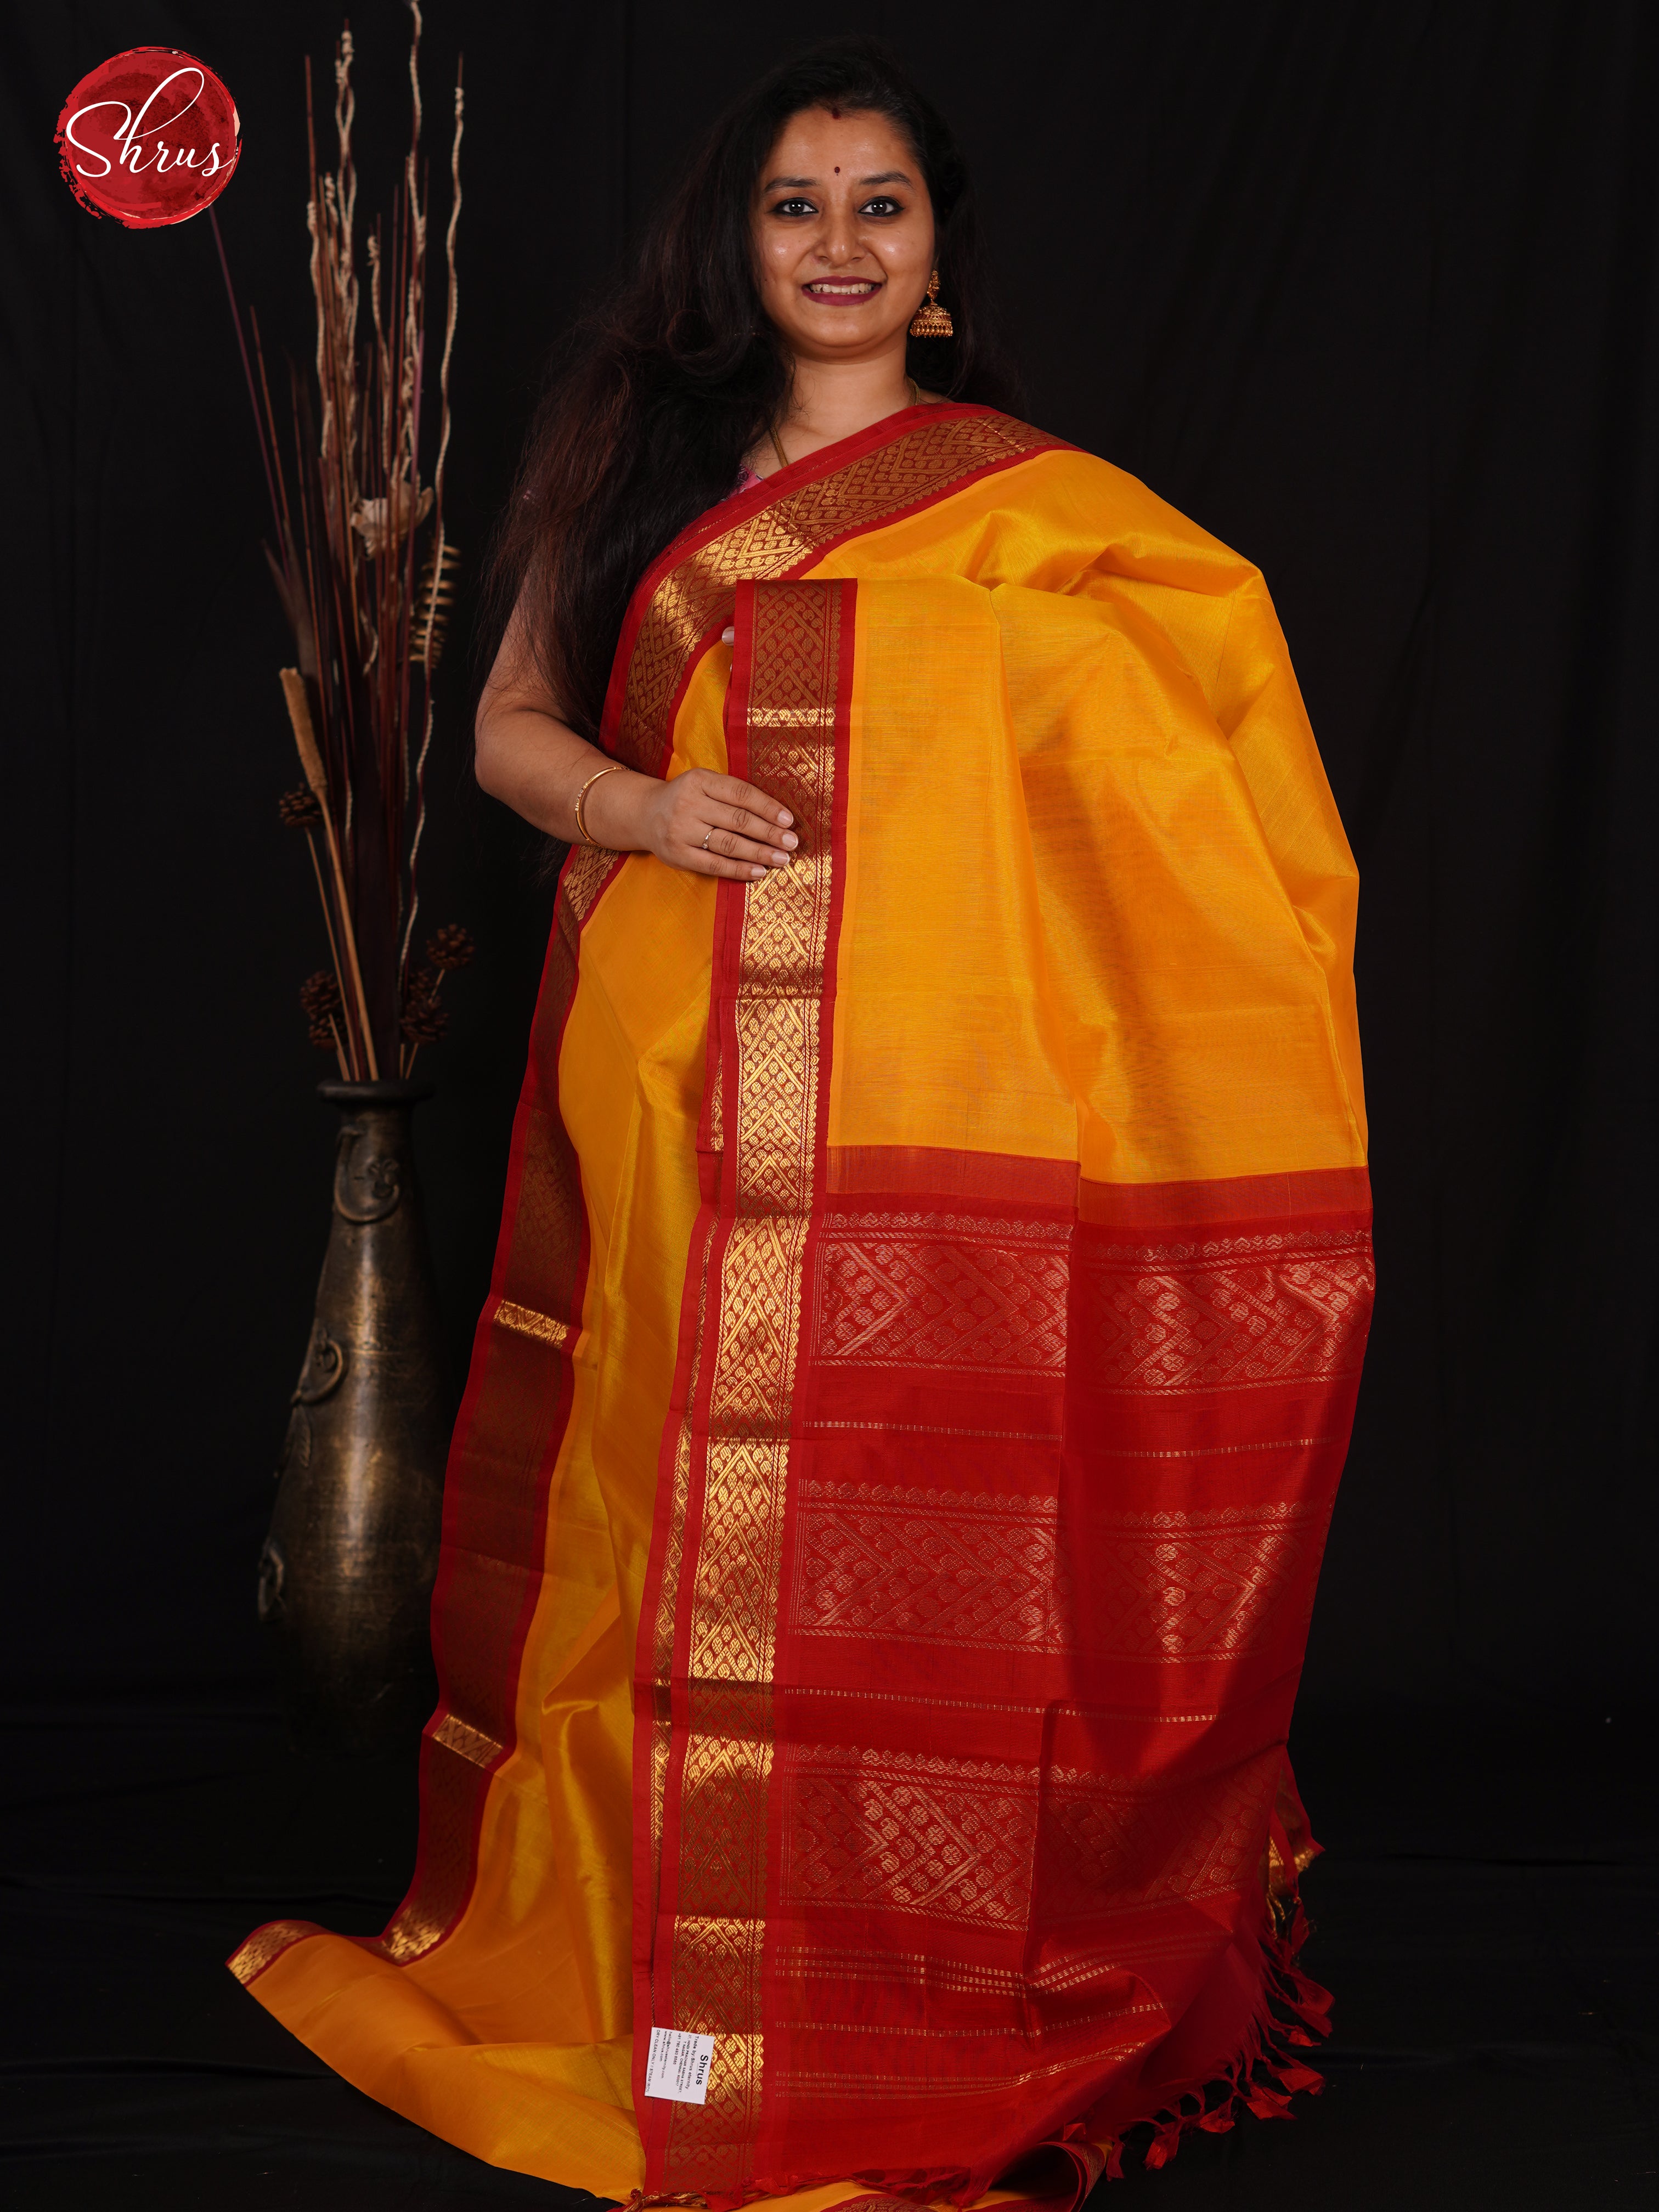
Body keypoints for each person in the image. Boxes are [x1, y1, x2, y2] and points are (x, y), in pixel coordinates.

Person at [232, 36, 1372, 2206]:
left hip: (957, 1107)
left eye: (881, 206)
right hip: (683, 1072)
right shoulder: (634, 455)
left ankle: (898, 1953)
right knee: (684, 1499)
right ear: (736, 247)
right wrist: (647, 804)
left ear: (938, 264)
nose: (837, 243)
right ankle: (671, 1958)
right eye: (794, 204)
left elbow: (1183, 792)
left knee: (919, 1492)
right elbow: (507, 736)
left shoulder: (1055, 518)